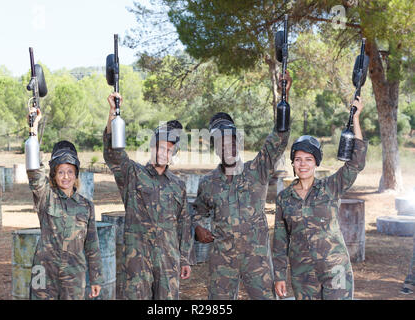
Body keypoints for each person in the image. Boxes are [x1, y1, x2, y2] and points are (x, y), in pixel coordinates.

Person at [193, 72, 292, 300]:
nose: (228, 147)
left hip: (256, 259)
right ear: (216, 149)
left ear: (238, 143)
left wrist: (285, 96)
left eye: (232, 141)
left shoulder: (257, 169)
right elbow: (198, 211)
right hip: (222, 260)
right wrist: (198, 228)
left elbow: (279, 137)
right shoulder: (208, 183)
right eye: (222, 143)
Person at [272, 96, 368, 300]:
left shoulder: (330, 187)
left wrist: (356, 118)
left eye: (308, 159)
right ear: (293, 164)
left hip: (336, 269)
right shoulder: (283, 198)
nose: (303, 164)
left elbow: (356, 163)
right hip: (303, 274)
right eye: (298, 159)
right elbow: (280, 241)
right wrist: (279, 275)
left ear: (316, 163)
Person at [103, 92, 192, 300]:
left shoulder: (178, 185)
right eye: (161, 147)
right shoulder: (133, 175)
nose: (164, 153)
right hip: (137, 262)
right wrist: (113, 114)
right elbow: (113, 153)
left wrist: (185, 259)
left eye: (169, 150)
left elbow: (185, 224)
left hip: (168, 262)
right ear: (152, 148)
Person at [26, 108, 104, 300]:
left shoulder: (86, 206)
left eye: (70, 171)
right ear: (54, 174)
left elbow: (92, 245)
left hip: (74, 274)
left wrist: (96, 278)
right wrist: (33, 129)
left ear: (76, 174)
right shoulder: (46, 196)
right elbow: (34, 172)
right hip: (42, 271)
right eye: (61, 172)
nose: (66, 177)